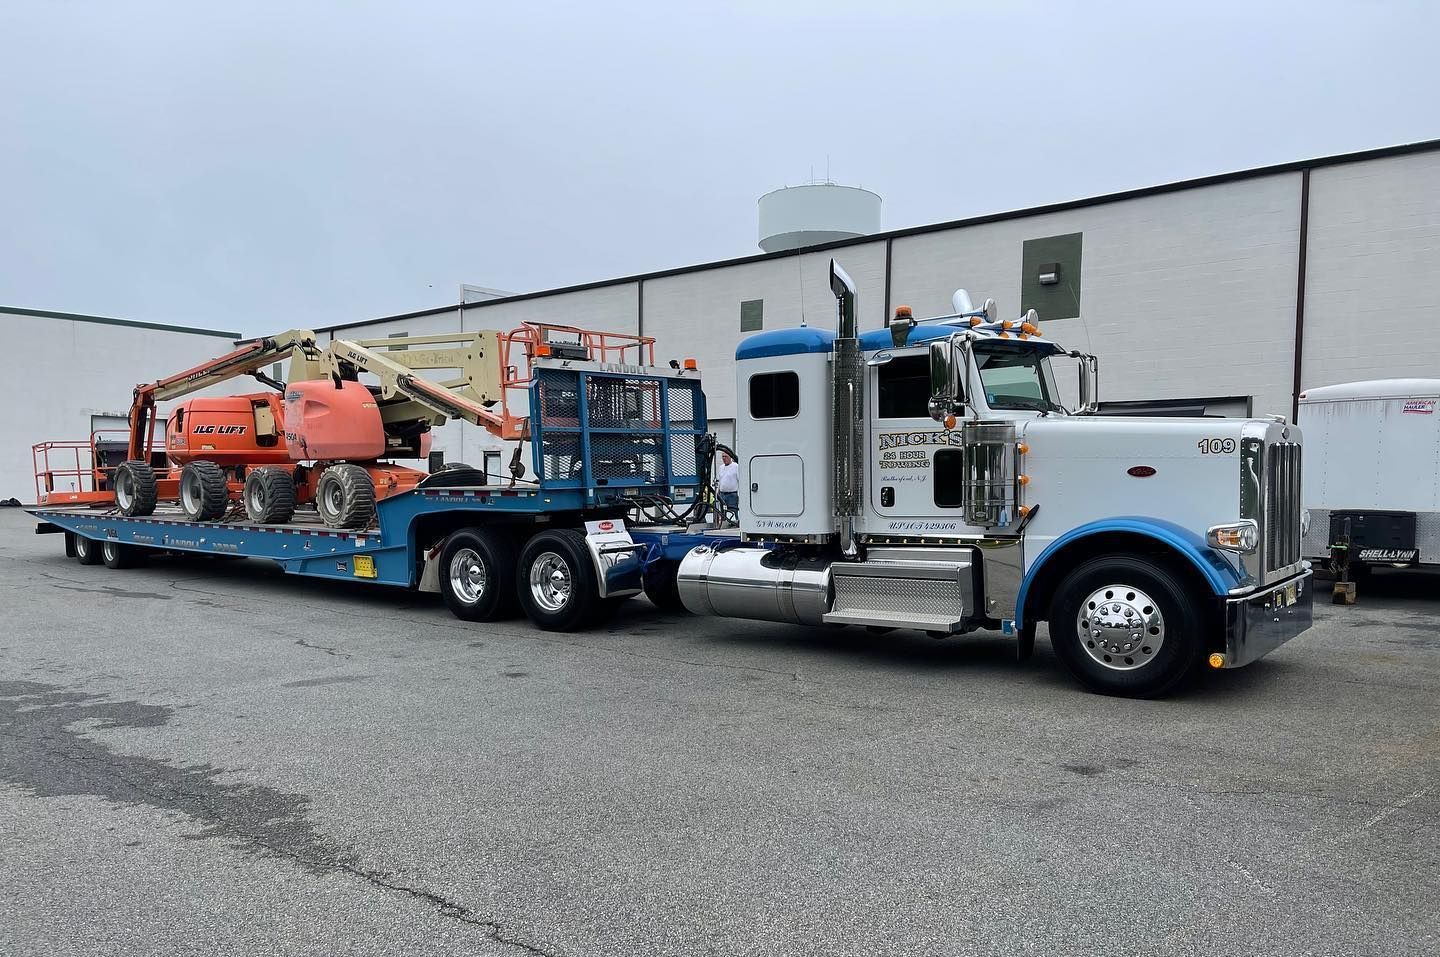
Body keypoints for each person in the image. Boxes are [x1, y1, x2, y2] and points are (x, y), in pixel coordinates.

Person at [714, 451, 740, 523]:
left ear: (730, 457)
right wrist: (718, 493)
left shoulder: (736, 466)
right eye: (723, 456)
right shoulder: (721, 467)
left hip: (732, 494)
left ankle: (736, 522)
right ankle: (723, 522)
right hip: (722, 494)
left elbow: (740, 480)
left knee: (734, 510)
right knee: (723, 511)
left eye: (726, 456)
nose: (724, 458)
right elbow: (720, 481)